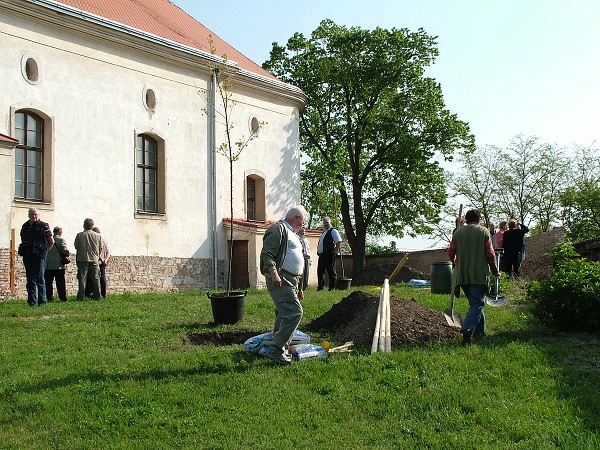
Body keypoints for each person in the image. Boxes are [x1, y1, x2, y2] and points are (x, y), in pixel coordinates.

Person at [259, 206, 308, 365]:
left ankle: (280, 348)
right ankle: (276, 348)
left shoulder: (292, 233)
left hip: (292, 281)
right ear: (297, 218)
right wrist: (273, 272)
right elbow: (267, 253)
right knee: (295, 313)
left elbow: (300, 258)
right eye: (303, 222)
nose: (303, 226)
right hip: (282, 278)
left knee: (283, 313)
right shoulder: (278, 229)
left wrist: (300, 287)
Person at [447, 209, 500, 345]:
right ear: (479, 220)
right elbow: (490, 255)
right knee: (477, 304)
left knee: (475, 304)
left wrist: (454, 264)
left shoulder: (458, 233)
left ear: (467, 219)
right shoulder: (483, 232)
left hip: (462, 275)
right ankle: (467, 329)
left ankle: (480, 334)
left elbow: (450, 252)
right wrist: (495, 271)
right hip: (478, 274)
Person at [20, 208, 54, 306]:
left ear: (39, 215)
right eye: (32, 215)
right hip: (27, 255)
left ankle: (42, 301)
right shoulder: (25, 226)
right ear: (28, 215)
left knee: (40, 279)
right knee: (30, 279)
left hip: (39, 256)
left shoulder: (44, 226)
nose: (34, 216)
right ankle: (32, 301)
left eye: (36, 214)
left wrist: (45, 252)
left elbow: (51, 241)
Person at [74, 218, 103, 301]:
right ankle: (98, 295)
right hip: (94, 259)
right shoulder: (98, 236)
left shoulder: (79, 235)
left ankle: (81, 297)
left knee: (82, 279)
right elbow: (100, 248)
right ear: (92, 225)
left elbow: (76, 246)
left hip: (82, 259)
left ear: (84, 225)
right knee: (96, 278)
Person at [316, 217, 342, 291]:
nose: (325, 224)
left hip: (329, 254)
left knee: (331, 271)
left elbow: (339, 241)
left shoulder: (333, 231)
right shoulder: (324, 232)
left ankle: (332, 287)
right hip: (322, 255)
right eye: (324, 222)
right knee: (320, 271)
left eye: (327, 222)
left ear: (330, 222)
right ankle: (320, 287)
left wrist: (335, 250)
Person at [45, 226, 70, 302]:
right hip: (58, 265)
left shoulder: (47, 239)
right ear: (60, 232)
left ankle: (49, 297)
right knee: (60, 282)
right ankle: (62, 297)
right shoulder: (61, 240)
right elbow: (65, 251)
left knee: (48, 283)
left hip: (48, 265)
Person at [85, 226, 110, 298]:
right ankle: (103, 293)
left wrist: (101, 259)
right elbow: (108, 252)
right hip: (104, 262)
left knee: (93, 278)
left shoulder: (96, 239)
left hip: (97, 261)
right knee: (102, 277)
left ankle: (93, 293)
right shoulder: (105, 240)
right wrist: (105, 260)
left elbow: (96, 252)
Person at [297, 226, 312, 291]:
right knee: (301, 274)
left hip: (307, 258)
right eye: (302, 229)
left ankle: (304, 288)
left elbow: (309, 250)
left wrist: (310, 260)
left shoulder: (306, 239)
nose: (303, 230)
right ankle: (299, 288)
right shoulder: (297, 238)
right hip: (301, 258)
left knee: (306, 274)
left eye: (304, 229)